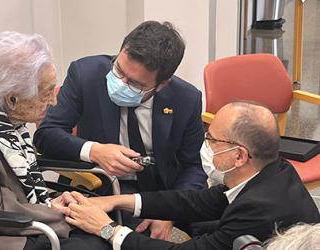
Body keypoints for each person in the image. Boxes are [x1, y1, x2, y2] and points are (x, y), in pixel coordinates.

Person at [59, 101, 320, 249]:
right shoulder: (275, 170)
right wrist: (116, 201)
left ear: (239, 156)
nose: (204, 145)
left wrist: (106, 229)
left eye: (212, 139)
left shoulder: (258, 211)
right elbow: (195, 202)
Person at [33, 20, 207, 239]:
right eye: (118, 70)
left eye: (135, 84)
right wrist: (94, 150)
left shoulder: (187, 99)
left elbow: (194, 167)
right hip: (103, 189)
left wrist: (169, 211)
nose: (121, 83)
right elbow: (46, 134)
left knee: (225, 226)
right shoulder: (86, 74)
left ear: (161, 84)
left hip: (162, 193)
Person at [0, 31, 110, 250]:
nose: (54, 101)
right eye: (47, 93)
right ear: (12, 99)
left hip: (14, 209)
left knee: (101, 225)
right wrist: (56, 212)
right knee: (92, 244)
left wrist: (52, 205)